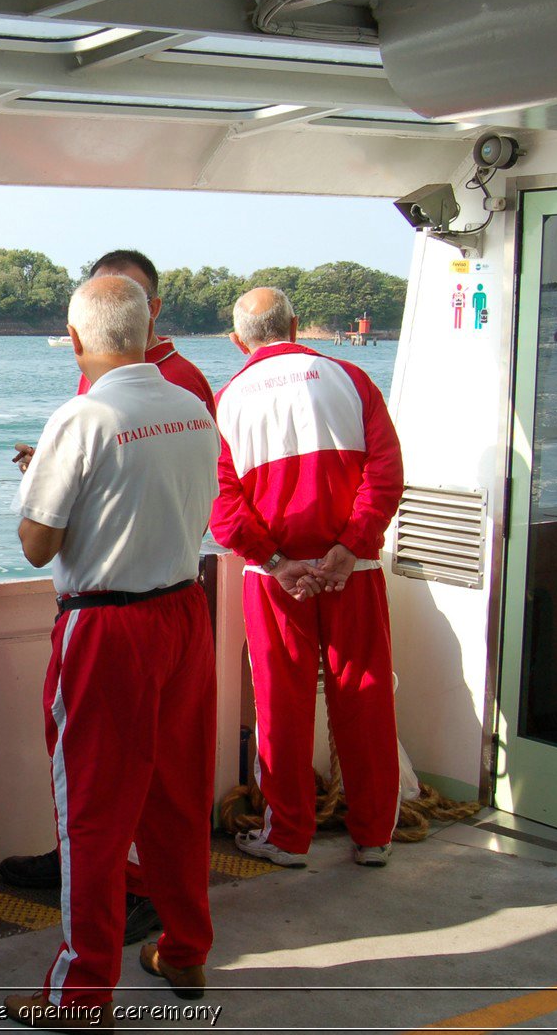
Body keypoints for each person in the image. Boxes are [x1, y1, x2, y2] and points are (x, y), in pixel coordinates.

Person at [4, 276, 220, 1029]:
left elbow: (37, 546)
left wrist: (35, 476)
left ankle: (81, 993)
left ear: (76, 339)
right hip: (185, 615)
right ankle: (186, 946)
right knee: (178, 796)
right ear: (146, 326)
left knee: (91, 815)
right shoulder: (192, 407)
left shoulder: (83, 416)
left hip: (106, 629)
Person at [211, 287, 405, 869]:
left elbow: (222, 505)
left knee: (281, 705)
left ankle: (288, 836)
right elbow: (386, 472)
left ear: (238, 339)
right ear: (295, 325)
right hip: (357, 571)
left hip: (273, 581)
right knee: (365, 696)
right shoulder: (353, 380)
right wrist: (349, 547)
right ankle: (373, 835)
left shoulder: (226, 401)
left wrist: (275, 562)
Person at [10, 249, 214, 474]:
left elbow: (173, 474)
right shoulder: (93, 372)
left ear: (153, 309)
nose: (112, 307)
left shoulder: (180, 378)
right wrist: (54, 465)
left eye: (128, 296)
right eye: (100, 298)